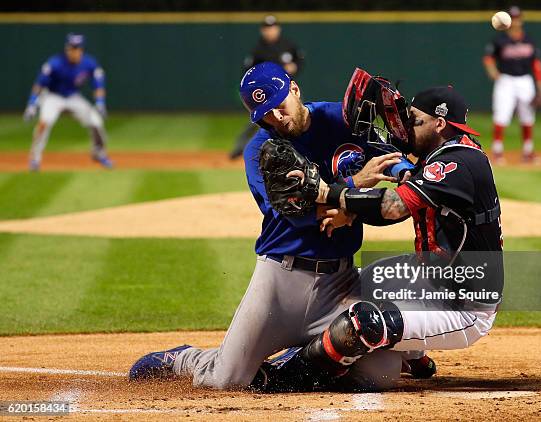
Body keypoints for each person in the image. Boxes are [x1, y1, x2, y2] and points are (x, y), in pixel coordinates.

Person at [128, 62, 419, 391]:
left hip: (339, 283)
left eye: (280, 107)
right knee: (228, 380)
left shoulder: (341, 119)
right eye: (265, 114)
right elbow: (295, 212)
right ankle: (187, 358)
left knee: (380, 373)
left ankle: (300, 357)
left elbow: (387, 155)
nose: (276, 118)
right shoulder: (260, 151)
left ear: (294, 90)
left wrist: (405, 172)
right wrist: (355, 184)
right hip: (280, 283)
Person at [260, 84, 504, 391]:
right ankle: (414, 355)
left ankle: (286, 376)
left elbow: (393, 207)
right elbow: (399, 203)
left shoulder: (458, 163)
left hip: (464, 306)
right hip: (430, 276)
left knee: (364, 324)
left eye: (414, 120)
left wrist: (327, 192)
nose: (404, 128)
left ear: (439, 124)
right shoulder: (442, 155)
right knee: (350, 286)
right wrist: (351, 211)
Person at [23, 33, 112, 172]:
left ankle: (98, 153)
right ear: (67, 49)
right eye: (71, 48)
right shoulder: (55, 63)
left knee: (96, 121)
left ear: (81, 50)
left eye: (77, 48)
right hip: (53, 97)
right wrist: (31, 104)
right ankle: (35, 158)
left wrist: (100, 103)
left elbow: (98, 84)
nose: (74, 51)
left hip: (73, 97)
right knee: (44, 122)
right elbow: (39, 85)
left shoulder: (89, 63)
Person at [229, 15, 305, 160]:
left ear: (278, 28)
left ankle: (300, 150)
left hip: (288, 91)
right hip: (266, 96)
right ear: (262, 30)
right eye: (267, 28)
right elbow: (247, 71)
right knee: (258, 123)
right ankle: (240, 148)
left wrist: (295, 66)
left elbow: (300, 59)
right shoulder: (258, 50)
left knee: (301, 116)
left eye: (272, 27)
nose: (270, 31)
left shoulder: (288, 45)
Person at [483, 6, 541, 164]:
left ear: (521, 20)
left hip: (525, 80)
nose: (516, 21)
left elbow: (537, 64)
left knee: (527, 116)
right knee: (501, 115)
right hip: (505, 80)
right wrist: (492, 70)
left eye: (518, 17)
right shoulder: (500, 40)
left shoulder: (529, 40)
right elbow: (488, 58)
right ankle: (497, 152)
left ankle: (528, 151)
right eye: (513, 17)